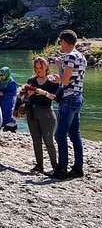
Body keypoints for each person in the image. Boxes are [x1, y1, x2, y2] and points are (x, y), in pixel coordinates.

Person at [51, 29, 86, 179]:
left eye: (60, 42)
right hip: (77, 96)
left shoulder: (71, 56)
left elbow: (65, 81)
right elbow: (71, 77)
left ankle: (61, 169)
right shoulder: (81, 56)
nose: (60, 44)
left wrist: (55, 79)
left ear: (65, 42)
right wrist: (60, 66)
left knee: (60, 135)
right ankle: (78, 168)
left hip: (69, 98)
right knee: (74, 134)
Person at [19, 57, 60, 173]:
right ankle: (39, 165)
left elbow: (55, 97)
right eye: (36, 68)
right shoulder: (31, 80)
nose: (38, 70)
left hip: (46, 112)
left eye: (40, 68)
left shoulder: (52, 81)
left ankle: (54, 165)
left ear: (46, 67)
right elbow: (23, 96)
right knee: (36, 140)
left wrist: (44, 93)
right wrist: (27, 93)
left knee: (48, 140)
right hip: (32, 112)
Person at [0, 66, 18, 131]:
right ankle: (1, 126)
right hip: (0, 101)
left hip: (8, 102)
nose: (1, 77)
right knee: (1, 114)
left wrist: (4, 94)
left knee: (8, 115)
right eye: (1, 75)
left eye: (2, 75)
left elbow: (14, 93)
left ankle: (10, 127)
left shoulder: (12, 82)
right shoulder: (1, 81)